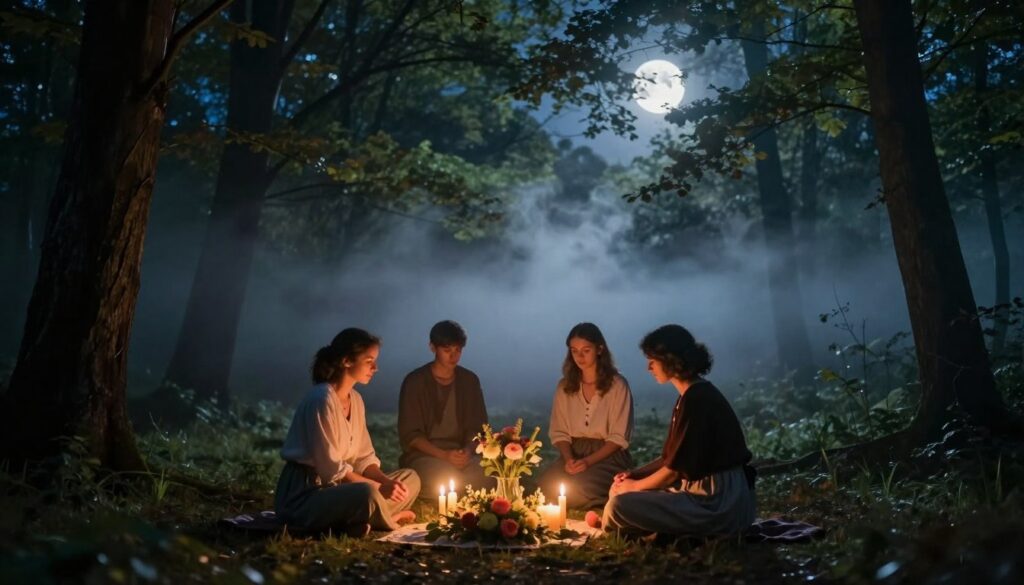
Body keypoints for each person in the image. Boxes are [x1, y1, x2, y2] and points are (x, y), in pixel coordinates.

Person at [601, 324, 756, 538]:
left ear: (670, 361)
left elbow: (672, 471)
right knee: (619, 492)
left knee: (620, 504)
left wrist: (634, 486)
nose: (649, 368)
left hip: (717, 500)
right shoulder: (689, 396)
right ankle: (628, 525)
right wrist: (634, 475)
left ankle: (622, 526)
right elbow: (671, 459)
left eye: (652, 361)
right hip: (700, 491)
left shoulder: (697, 399)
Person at [275, 328, 420, 536]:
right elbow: (331, 471)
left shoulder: (357, 400)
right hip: (307, 493)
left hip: (342, 489)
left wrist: (387, 483)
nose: (375, 368)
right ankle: (386, 519)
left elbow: (364, 458)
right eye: (369, 361)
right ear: (346, 361)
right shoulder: (321, 400)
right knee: (367, 493)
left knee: (410, 478)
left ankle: (355, 521)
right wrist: (379, 488)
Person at [538, 322, 634, 511]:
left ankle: (605, 502)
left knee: (579, 489)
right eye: (574, 351)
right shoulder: (565, 387)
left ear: (600, 349)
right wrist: (569, 459)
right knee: (545, 487)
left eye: (586, 350)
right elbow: (560, 432)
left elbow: (618, 437)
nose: (579, 357)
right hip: (573, 453)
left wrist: (588, 462)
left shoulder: (617, 385)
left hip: (607, 456)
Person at [398, 320, 490, 497]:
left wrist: (467, 451)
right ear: (433, 348)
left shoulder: (469, 381)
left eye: (458, 350)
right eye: (447, 350)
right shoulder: (415, 382)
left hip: (462, 454)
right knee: (445, 476)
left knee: (486, 473)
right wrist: (443, 455)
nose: (453, 356)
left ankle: (465, 495)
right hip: (426, 455)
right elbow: (411, 435)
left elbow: (478, 427)